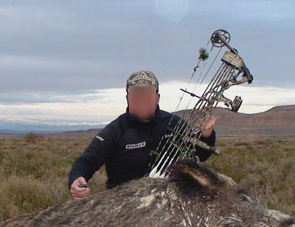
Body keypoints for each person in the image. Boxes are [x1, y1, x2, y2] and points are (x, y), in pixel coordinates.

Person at [68, 70, 218, 200]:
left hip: (171, 202)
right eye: (136, 95)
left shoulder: (175, 124)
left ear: (157, 97)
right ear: (127, 98)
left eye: (146, 96)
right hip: (125, 205)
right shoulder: (115, 130)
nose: (141, 101)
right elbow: (86, 162)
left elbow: (200, 155)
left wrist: (206, 135)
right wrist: (76, 179)